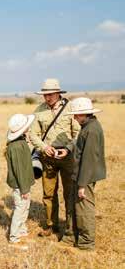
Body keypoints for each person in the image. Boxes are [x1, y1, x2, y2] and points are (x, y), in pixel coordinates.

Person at [30, 79, 80, 237]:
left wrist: (68, 149)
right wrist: (44, 148)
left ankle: (71, 226)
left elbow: (78, 133)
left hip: (68, 157)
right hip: (47, 157)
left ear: (58, 93)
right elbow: (33, 134)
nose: (47, 97)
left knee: (69, 192)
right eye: (45, 94)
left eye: (50, 94)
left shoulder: (70, 108)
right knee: (49, 193)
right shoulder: (39, 110)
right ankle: (52, 225)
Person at [61, 98, 106, 251]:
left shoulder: (91, 130)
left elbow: (88, 160)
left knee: (84, 210)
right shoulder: (87, 126)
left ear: (84, 114)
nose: (74, 118)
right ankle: (71, 237)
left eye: (76, 115)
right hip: (79, 174)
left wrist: (82, 184)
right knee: (74, 207)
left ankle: (86, 244)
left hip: (84, 177)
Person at [6, 113, 36, 249]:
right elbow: (19, 169)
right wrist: (24, 189)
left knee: (25, 207)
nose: (28, 128)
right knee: (20, 209)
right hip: (20, 185)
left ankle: (22, 232)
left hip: (24, 183)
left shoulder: (21, 142)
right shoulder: (17, 146)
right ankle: (14, 238)